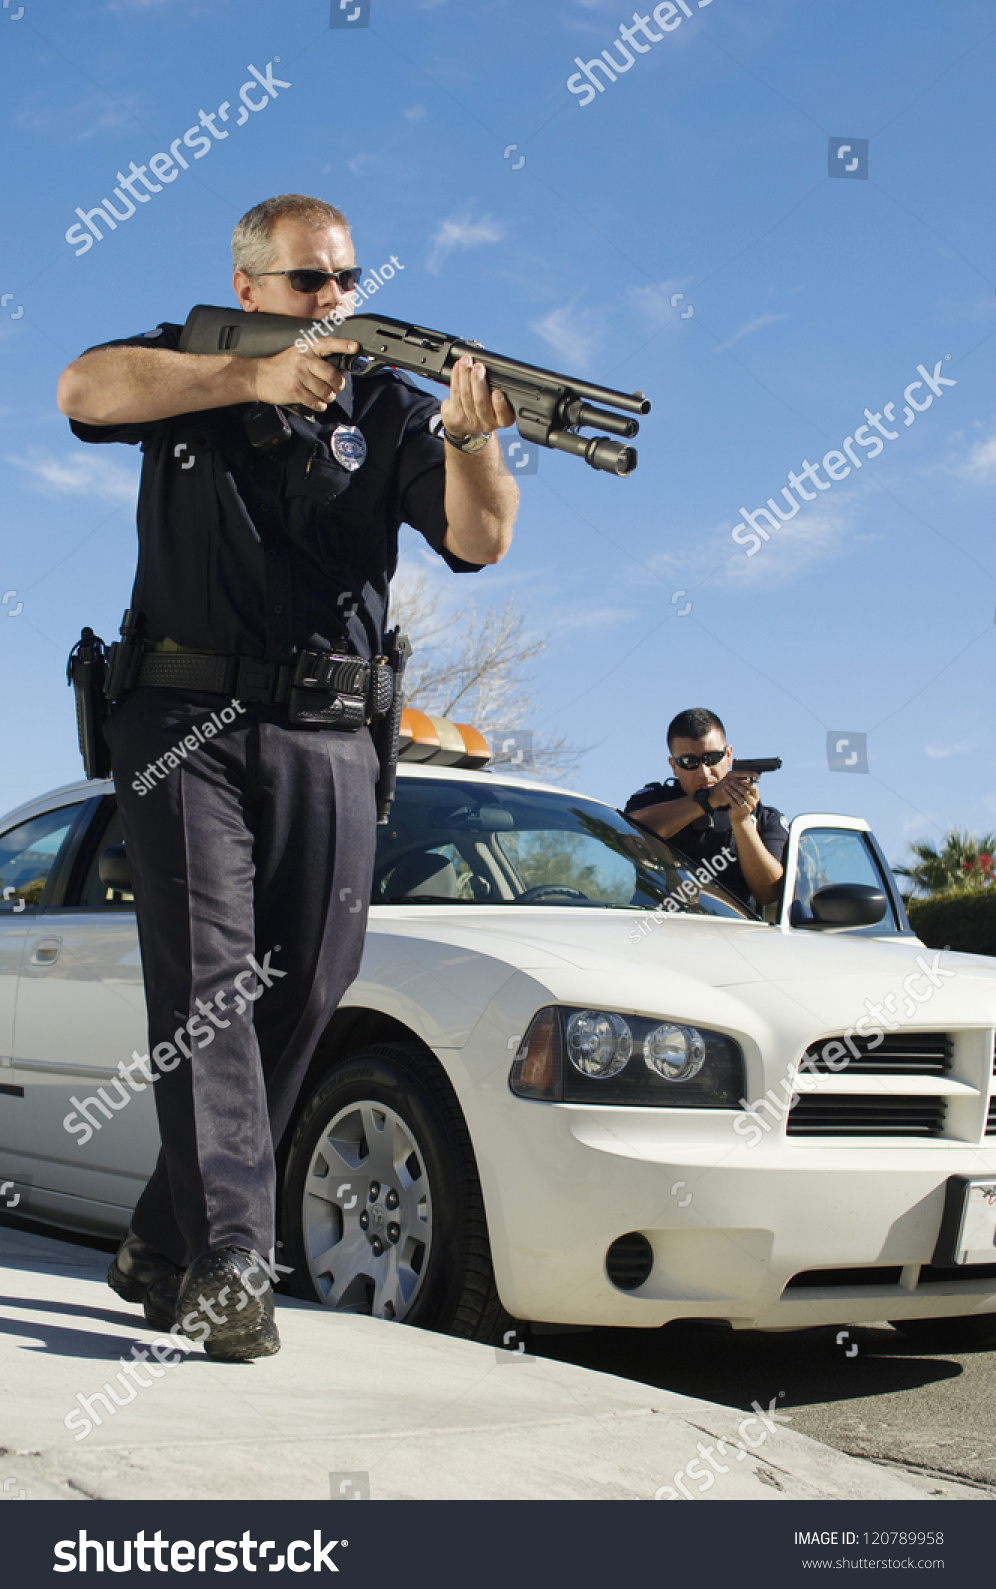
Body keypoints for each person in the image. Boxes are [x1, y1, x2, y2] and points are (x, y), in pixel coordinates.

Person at [56, 193, 518, 1360]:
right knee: (211, 984)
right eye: (310, 282)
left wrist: (475, 438)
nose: (335, 300)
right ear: (251, 289)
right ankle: (229, 1267)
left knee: (305, 985)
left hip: (330, 731)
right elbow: (82, 390)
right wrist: (252, 382)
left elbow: (479, 538)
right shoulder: (187, 363)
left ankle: (166, 1232)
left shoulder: (389, 406)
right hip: (183, 723)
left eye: (348, 278)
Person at [624, 707, 788, 908]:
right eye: (688, 762)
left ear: (728, 755)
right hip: (657, 929)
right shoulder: (652, 801)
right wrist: (707, 800)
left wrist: (742, 822)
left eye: (712, 758)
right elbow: (627, 833)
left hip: (733, 933)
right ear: (673, 765)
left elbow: (768, 893)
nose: (703, 772)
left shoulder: (764, 818)